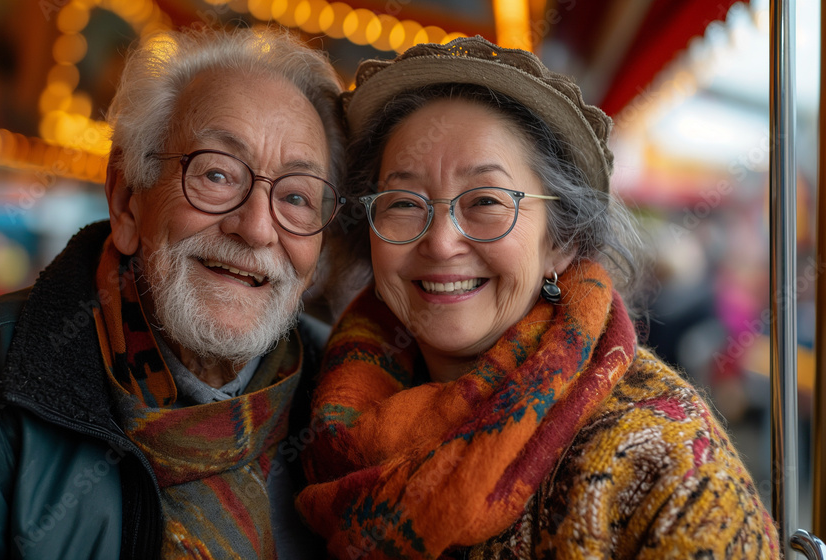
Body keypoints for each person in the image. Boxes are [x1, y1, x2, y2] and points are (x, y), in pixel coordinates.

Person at [0, 27, 345, 558]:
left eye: (298, 197)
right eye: (217, 173)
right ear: (125, 200)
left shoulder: (347, 408)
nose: (257, 228)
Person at [296, 37, 778, 559]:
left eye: (485, 201)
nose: (439, 240)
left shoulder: (666, 457)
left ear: (562, 241)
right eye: (404, 203)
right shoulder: (309, 402)